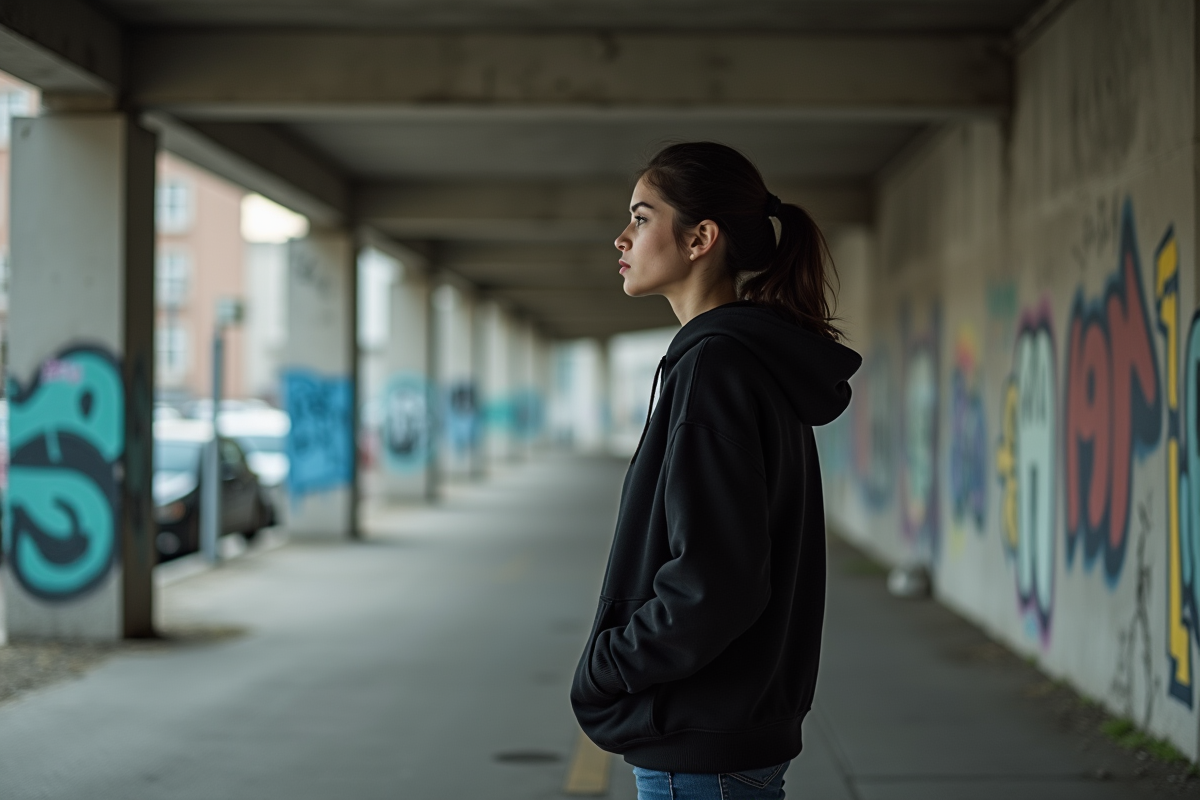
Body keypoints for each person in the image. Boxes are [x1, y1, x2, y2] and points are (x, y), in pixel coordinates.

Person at [570, 142, 861, 800]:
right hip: (725, 732)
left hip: (699, 741)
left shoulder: (715, 367)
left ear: (701, 237)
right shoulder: (742, 359)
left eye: (642, 219)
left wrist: (607, 668)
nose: (622, 237)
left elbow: (713, 582)